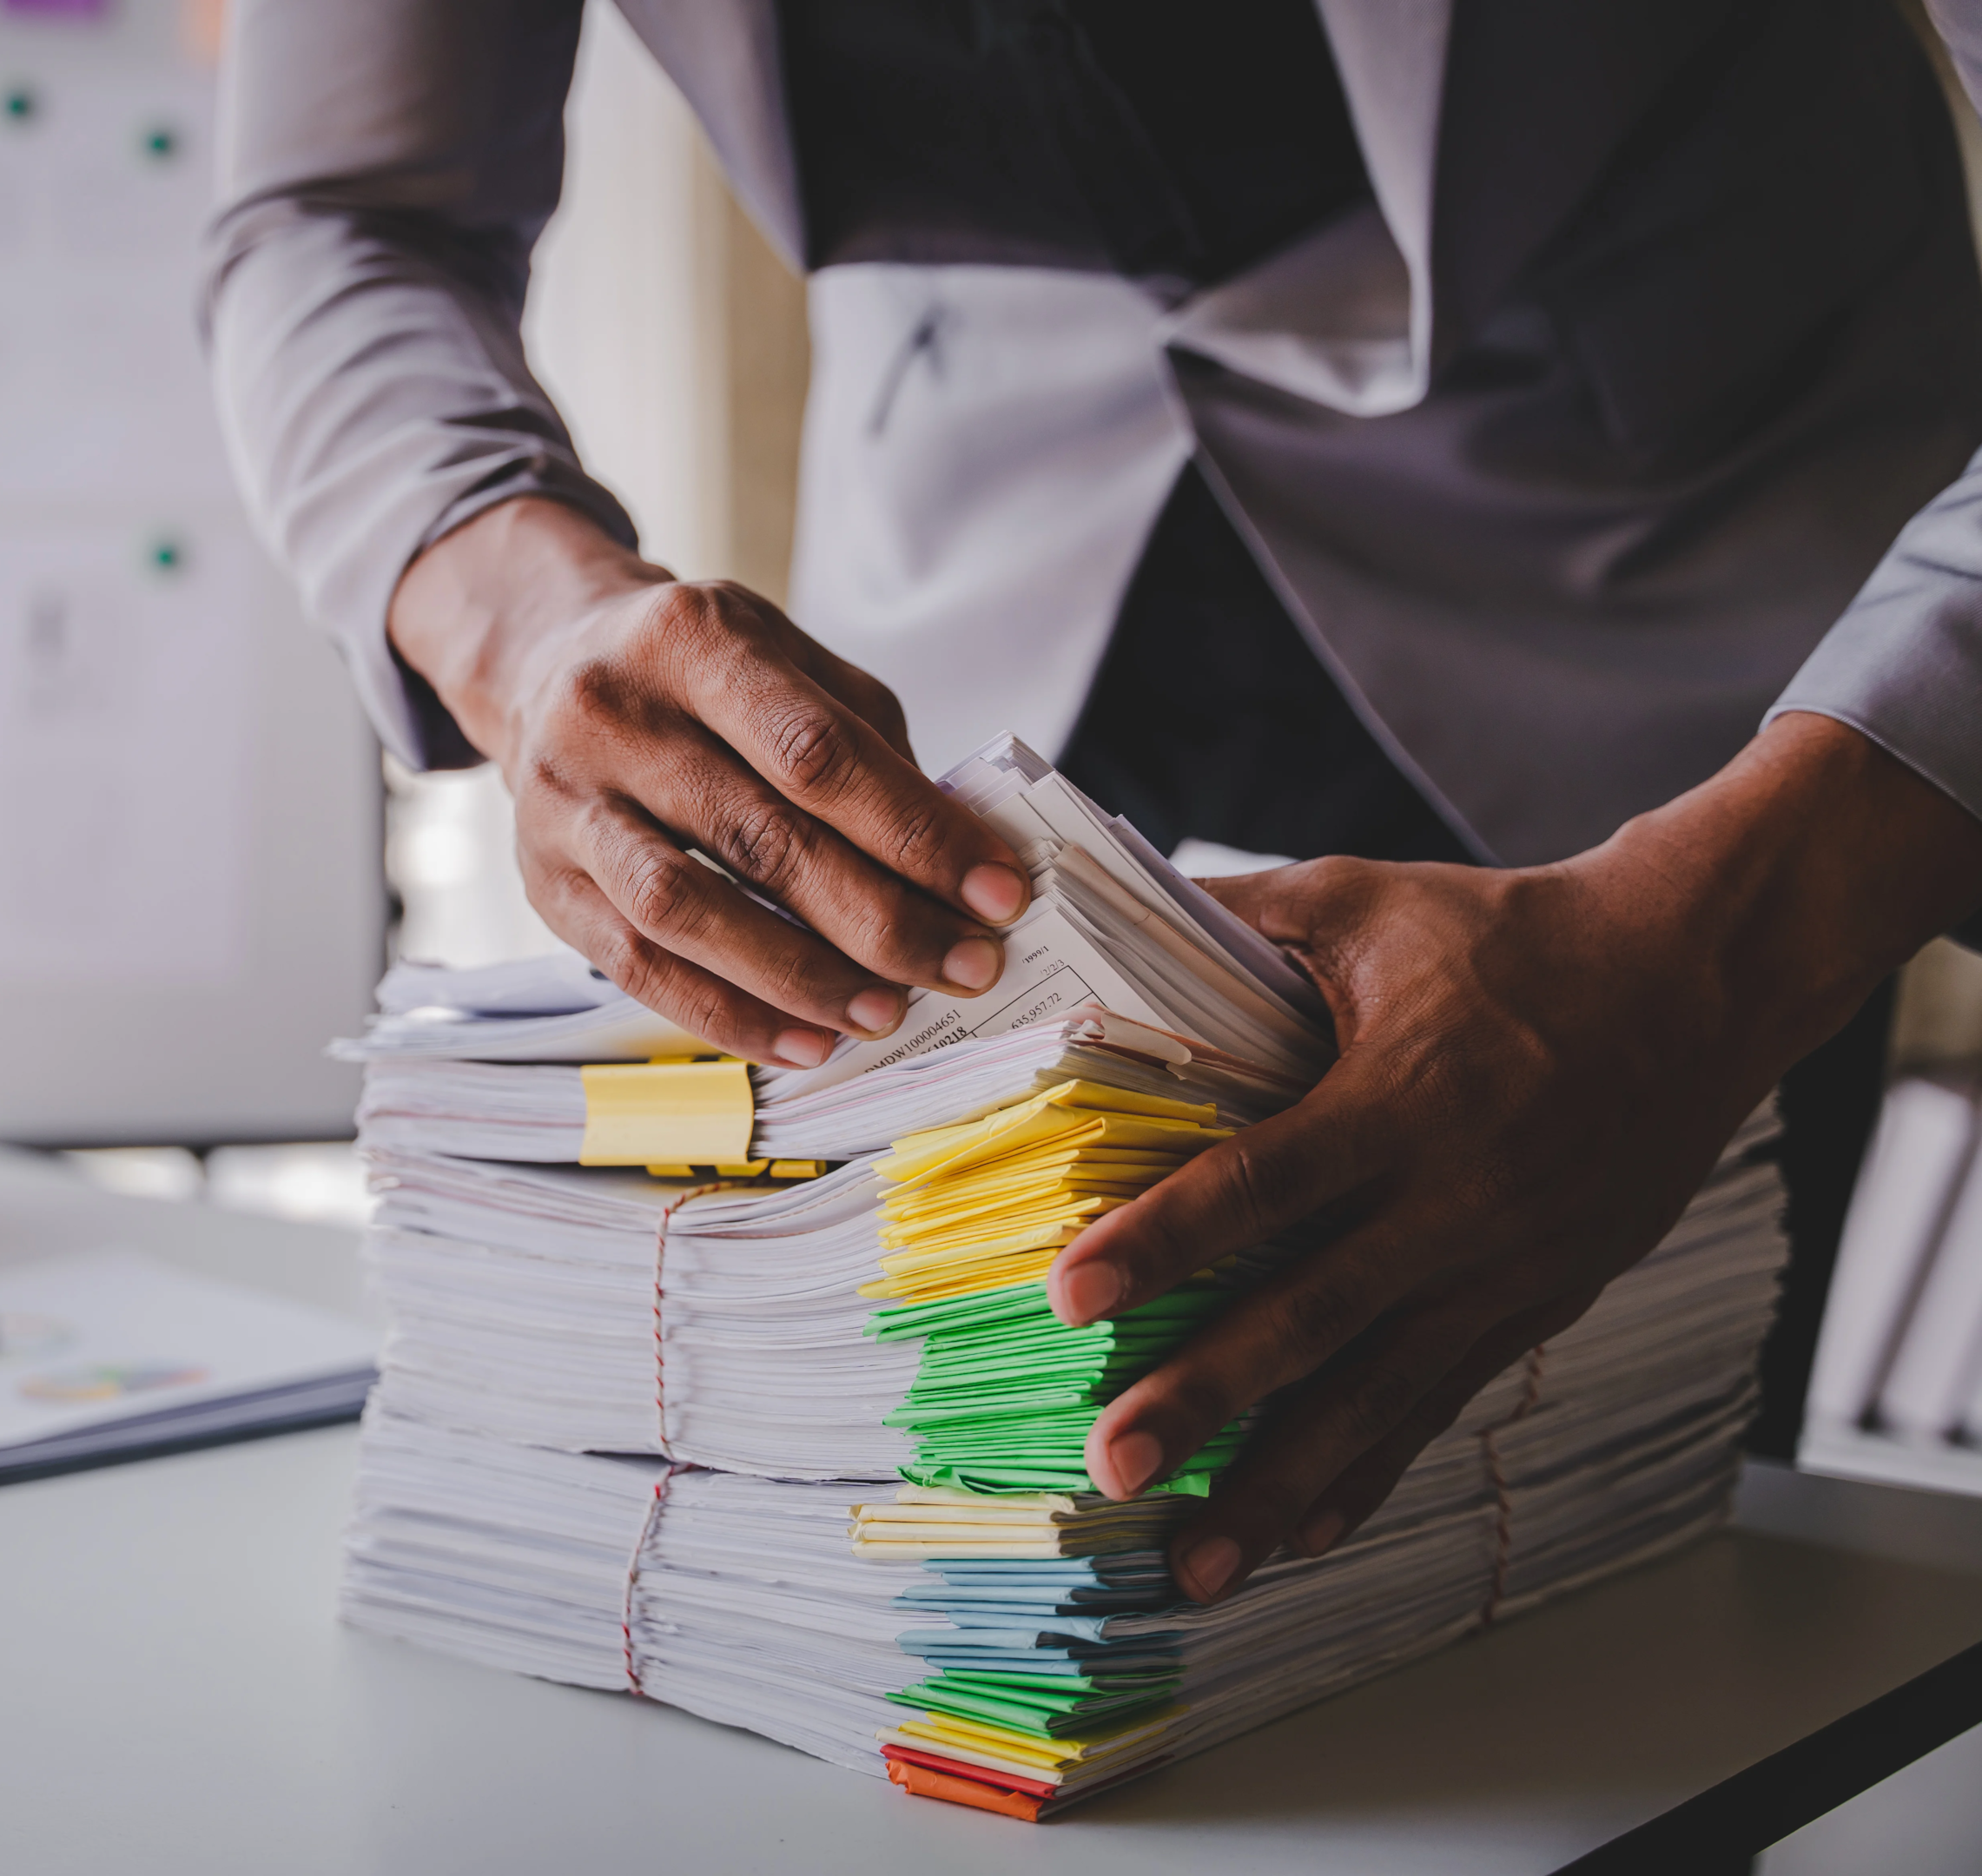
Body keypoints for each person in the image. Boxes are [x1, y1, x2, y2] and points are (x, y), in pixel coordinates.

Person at [201, 0, 1982, 1606]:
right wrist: (521, 620)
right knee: (978, 1594)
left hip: (1716, 702)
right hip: (964, 649)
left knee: (1609, 1636)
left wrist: (1723, 942)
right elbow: (335, 210)